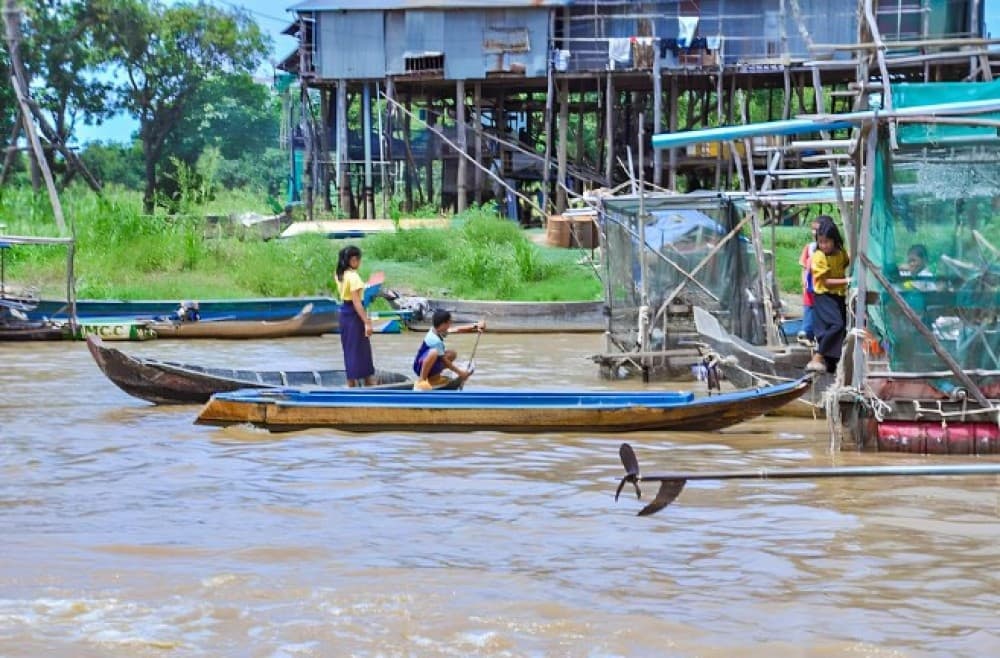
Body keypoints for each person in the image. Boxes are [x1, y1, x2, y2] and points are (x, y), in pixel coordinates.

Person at [806, 216, 850, 374]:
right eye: (820, 242)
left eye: (827, 242)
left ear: (834, 240)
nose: (823, 245)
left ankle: (832, 366)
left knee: (841, 329)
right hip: (824, 296)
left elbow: (846, 262)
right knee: (837, 325)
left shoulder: (840, 253)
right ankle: (818, 356)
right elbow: (825, 282)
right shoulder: (818, 257)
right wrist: (847, 281)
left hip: (838, 296)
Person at [412, 309, 484, 390]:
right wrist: (461, 373)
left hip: (425, 362)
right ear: (443, 324)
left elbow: (457, 329)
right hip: (419, 366)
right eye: (449, 322)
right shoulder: (435, 340)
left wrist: (475, 326)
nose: (450, 324)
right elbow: (445, 361)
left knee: (452, 354)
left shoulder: (437, 330)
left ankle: (434, 378)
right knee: (434, 352)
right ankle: (422, 381)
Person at [334, 245, 376, 387]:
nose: (359, 263)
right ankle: (368, 383)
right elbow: (357, 303)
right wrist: (366, 322)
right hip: (354, 315)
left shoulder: (340, 274)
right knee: (361, 351)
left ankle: (350, 383)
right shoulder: (354, 277)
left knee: (350, 350)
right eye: (359, 260)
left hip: (345, 314)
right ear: (353, 260)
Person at [797, 219, 820, 343]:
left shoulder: (831, 248)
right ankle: (807, 334)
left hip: (824, 287)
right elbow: (804, 268)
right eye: (813, 229)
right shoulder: (809, 248)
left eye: (817, 229)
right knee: (809, 311)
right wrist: (805, 282)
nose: (814, 232)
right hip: (810, 287)